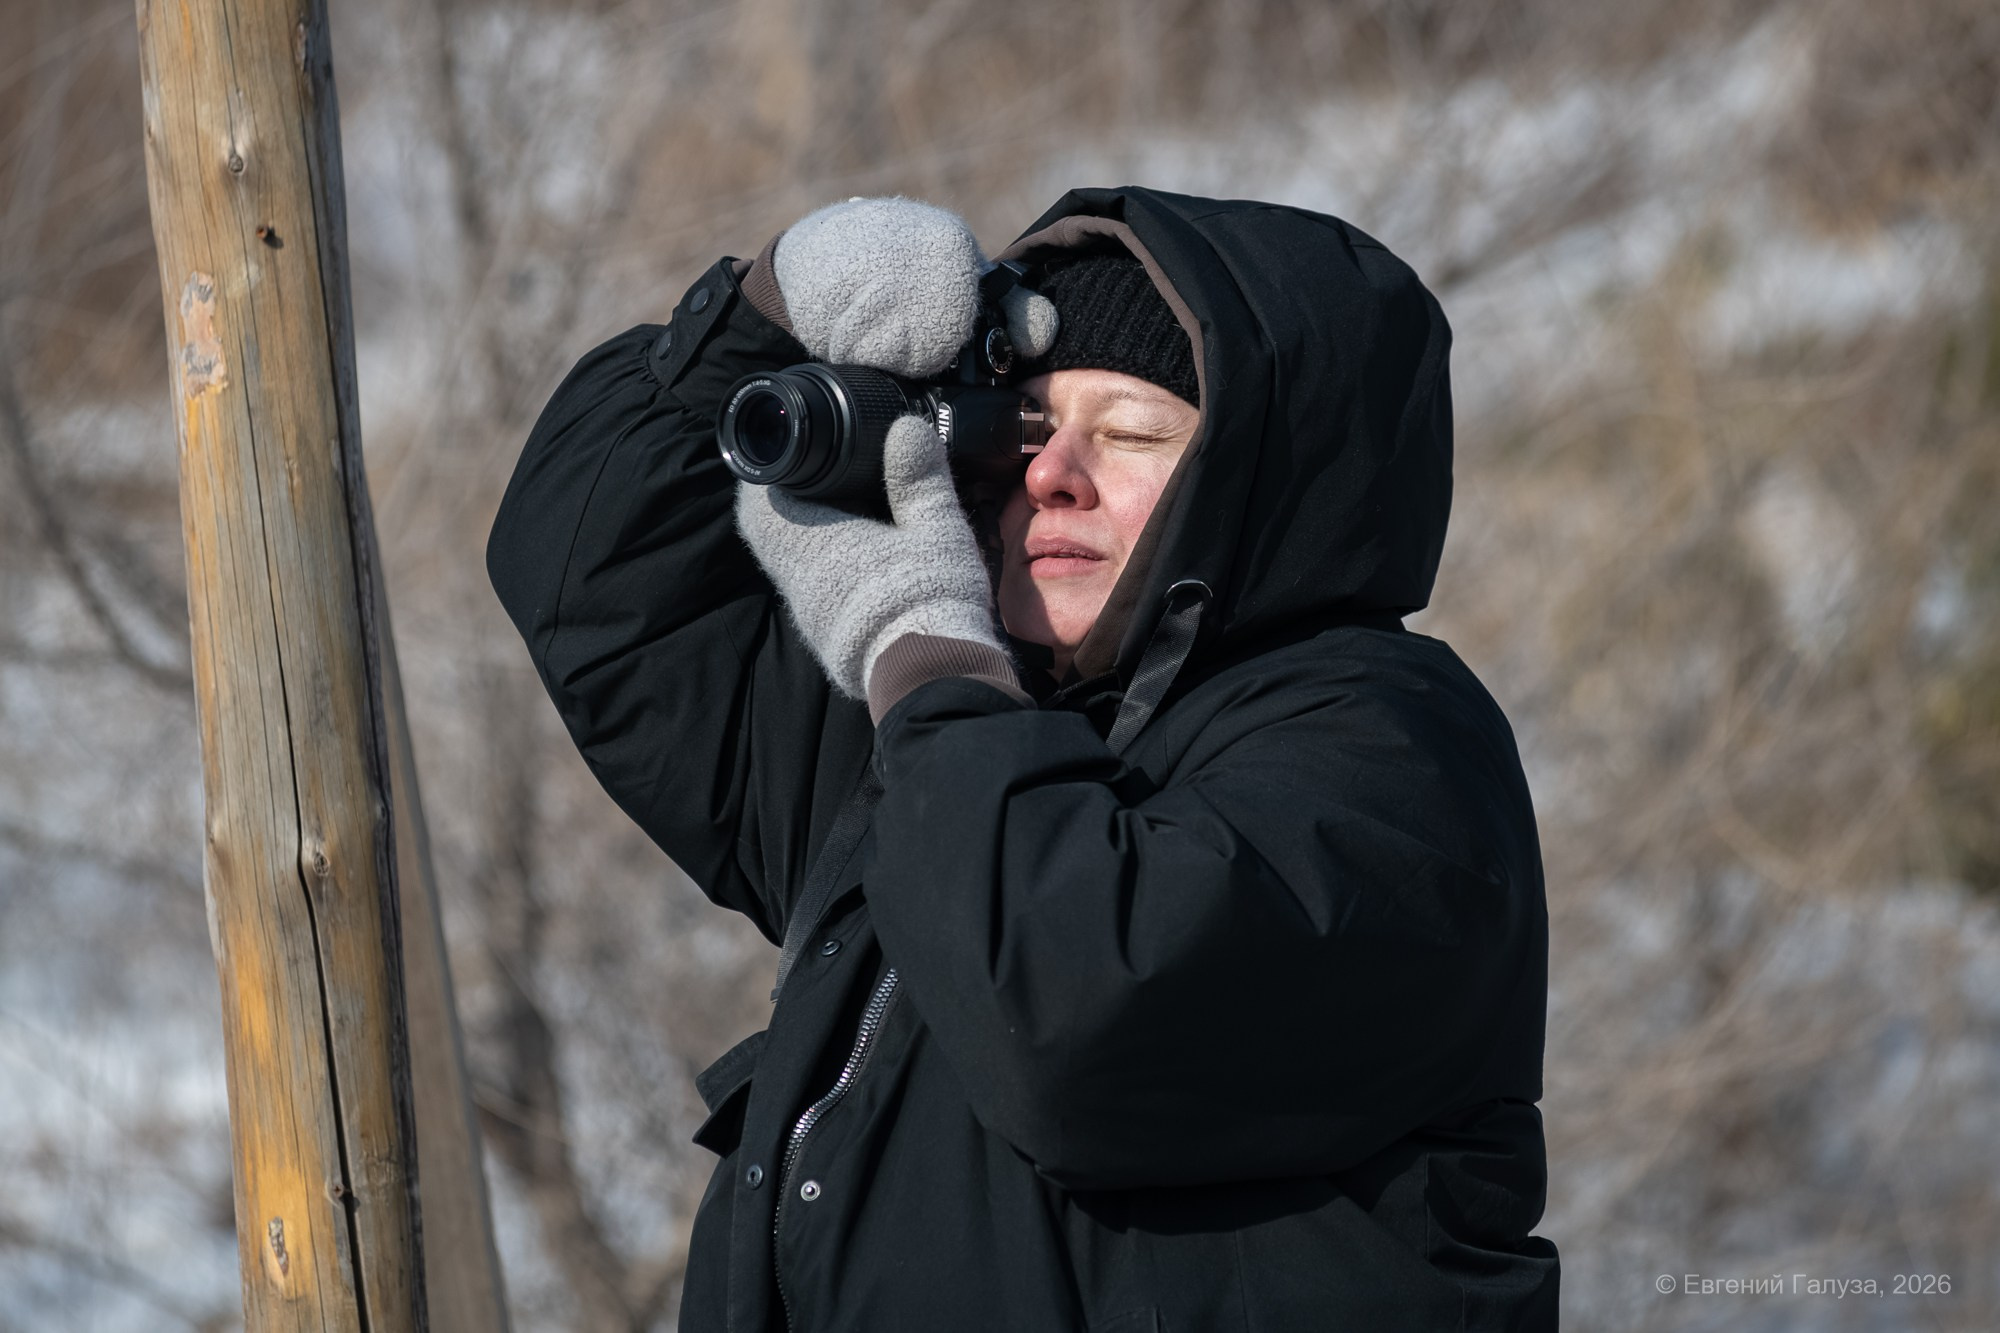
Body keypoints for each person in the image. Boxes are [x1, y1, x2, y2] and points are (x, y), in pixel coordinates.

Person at [487, 186, 1561, 1332]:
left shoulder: (1389, 746)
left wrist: (929, 661)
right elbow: (589, 580)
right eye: (1029, 431)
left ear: (1260, 478)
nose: (1052, 474)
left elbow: (1070, 1017)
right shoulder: (960, 730)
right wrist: (760, 310)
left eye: (1134, 432)